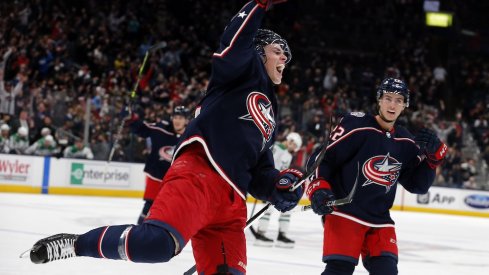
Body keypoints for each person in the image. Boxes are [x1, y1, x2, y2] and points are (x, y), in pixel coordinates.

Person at [28, 1, 304, 274]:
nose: (284, 60)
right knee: (157, 244)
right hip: (201, 175)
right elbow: (233, 43)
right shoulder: (240, 73)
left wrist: (279, 186)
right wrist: (258, 5)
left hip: (231, 204)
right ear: (257, 53)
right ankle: (77, 244)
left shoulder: (270, 109)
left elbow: (259, 169)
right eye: (278, 52)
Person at [305, 77, 448, 275]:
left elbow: (417, 185)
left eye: (399, 100)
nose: (392, 104)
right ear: (379, 100)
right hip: (345, 213)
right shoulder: (356, 126)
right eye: (388, 98)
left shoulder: (406, 141)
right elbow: (323, 158)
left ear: (405, 105)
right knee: (339, 270)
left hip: (380, 220)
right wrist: (318, 189)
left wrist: (433, 160)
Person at [124, 105, 189, 224]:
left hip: (175, 179)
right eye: (175, 117)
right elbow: (143, 129)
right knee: (149, 206)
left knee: (172, 210)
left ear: (186, 120)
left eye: (181, 118)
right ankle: (139, 233)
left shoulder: (190, 135)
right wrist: (131, 118)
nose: (177, 120)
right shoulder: (161, 129)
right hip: (156, 175)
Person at [254, 132, 302, 248]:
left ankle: (282, 235)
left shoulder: (288, 154)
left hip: (279, 185)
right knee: (268, 209)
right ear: (290, 141)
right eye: (294, 145)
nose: (293, 148)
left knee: (287, 209)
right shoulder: (276, 147)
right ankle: (260, 234)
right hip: (271, 184)